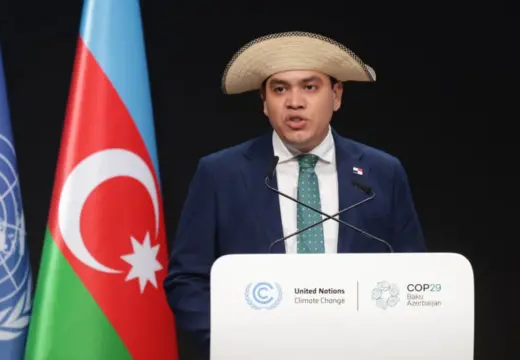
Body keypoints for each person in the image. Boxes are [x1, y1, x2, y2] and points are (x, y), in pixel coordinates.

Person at [163, 31, 426, 358]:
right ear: (264, 102)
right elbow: (187, 279)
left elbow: (415, 275)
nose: (294, 102)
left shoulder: (382, 172)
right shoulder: (220, 173)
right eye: (279, 89)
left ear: (337, 95)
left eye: (310, 87)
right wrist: (230, 344)